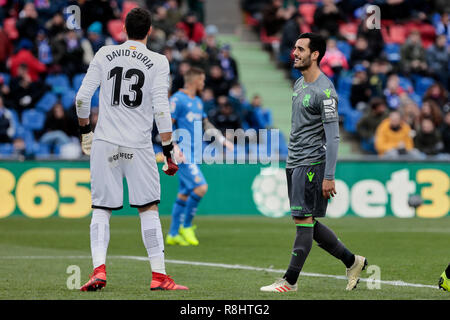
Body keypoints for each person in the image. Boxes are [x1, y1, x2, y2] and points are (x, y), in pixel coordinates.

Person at [76, 8, 187, 291]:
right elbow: (161, 108)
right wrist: (168, 146)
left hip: (104, 143)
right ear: (150, 31)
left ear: (123, 29)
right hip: (137, 145)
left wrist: (86, 133)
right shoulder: (159, 61)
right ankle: (159, 276)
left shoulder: (103, 53)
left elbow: (81, 98)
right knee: (148, 208)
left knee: (101, 209)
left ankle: (98, 271)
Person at [260, 33, 366, 293]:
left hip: (311, 163)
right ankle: (353, 262)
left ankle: (290, 281)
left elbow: (333, 137)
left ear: (315, 54)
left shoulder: (325, 91)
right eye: (294, 47)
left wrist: (329, 175)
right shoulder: (299, 84)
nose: (294, 52)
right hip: (294, 161)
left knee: (303, 222)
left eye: (300, 48)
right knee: (306, 222)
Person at [166, 67, 234, 246]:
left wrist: (221, 139)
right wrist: (173, 147)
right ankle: (186, 226)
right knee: (201, 187)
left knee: (184, 192)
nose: (204, 84)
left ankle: (173, 234)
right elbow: (167, 124)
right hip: (183, 153)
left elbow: (205, 123)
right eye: (202, 81)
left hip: (195, 153)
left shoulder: (197, 101)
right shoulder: (177, 100)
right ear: (194, 81)